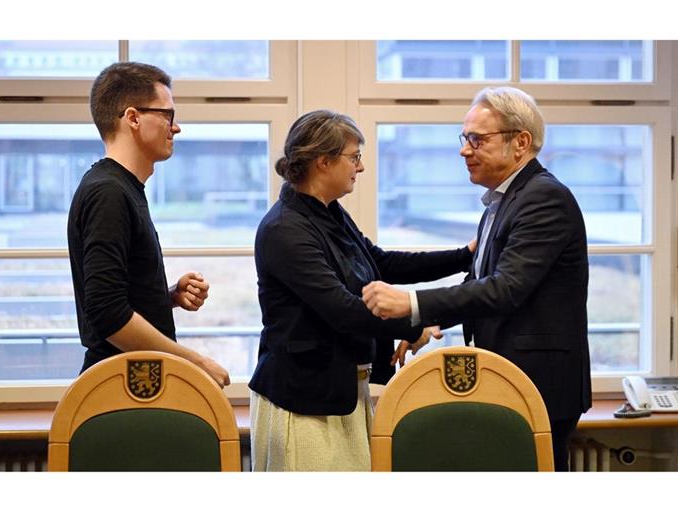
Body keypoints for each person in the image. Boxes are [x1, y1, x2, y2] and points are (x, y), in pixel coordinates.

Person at [362, 86, 591, 471]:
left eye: (476, 139)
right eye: (464, 138)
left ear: (520, 142)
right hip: (509, 381)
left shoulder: (544, 199)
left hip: (539, 385)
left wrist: (413, 303)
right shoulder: (501, 201)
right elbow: (480, 280)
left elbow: (507, 289)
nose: (464, 150)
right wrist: (427, 321)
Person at [248, 109, 475, 471]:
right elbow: (343, 310)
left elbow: (382, 264)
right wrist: (417, 323)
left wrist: (464, 256)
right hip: (303, 401)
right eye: (354, 157)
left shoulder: (328, 212)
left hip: (340, 394)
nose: (361, 167)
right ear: (323, 161)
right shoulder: (284, 229)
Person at [67, 62, 230, 387]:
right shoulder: (109, 193)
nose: (176, 127)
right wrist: (194, 362)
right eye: (167, 115)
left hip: (130, 383)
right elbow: (107, 314)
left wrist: (164, 297)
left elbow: (116, 296)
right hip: (121, 388)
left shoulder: (119, 187)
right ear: (133, 117)